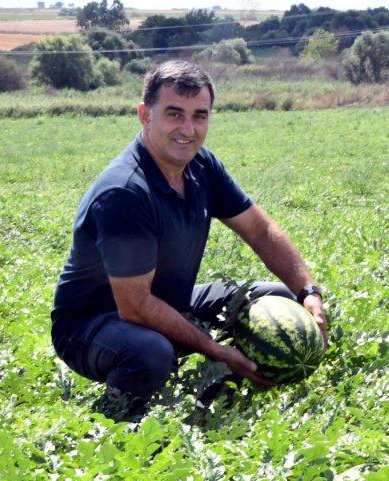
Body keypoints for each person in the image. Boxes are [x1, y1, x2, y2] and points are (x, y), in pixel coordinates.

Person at [51, 60, 326, 418]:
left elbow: (260, 231)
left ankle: (221, 389)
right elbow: (133, 306)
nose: (188, 129)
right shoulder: (124, 192)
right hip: (92, 324)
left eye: (200, 116)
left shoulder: (202, 167)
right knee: (150, 353)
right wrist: (214, 348)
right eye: (174, 114)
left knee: (277, 298)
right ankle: (112, 420)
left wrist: (308, 292)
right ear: (144, 115)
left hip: (168, 300)